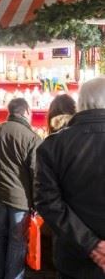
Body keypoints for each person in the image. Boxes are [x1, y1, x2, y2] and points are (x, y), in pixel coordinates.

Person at [35, 77, 105, 278]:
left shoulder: (53, 145)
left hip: (73, 257)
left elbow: (47, 202)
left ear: (80, 103)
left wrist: (92, 245)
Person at [0, 98, 42, 279]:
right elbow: (37, 175)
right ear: (27, 112)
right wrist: (36, 203)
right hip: (20, 201)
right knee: (17, 241)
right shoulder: (32, 138)